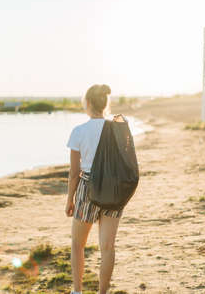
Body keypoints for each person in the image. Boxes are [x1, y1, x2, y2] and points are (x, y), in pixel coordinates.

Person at [66, 84, 124, 294]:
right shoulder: (117, 129)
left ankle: (77, 291)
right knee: (107, 247)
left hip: (87, 189)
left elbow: (74, 173)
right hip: (114, 190)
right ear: (105, 103)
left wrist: (69, 200)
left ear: (88, 103)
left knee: (77, 244)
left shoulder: (79, 131)